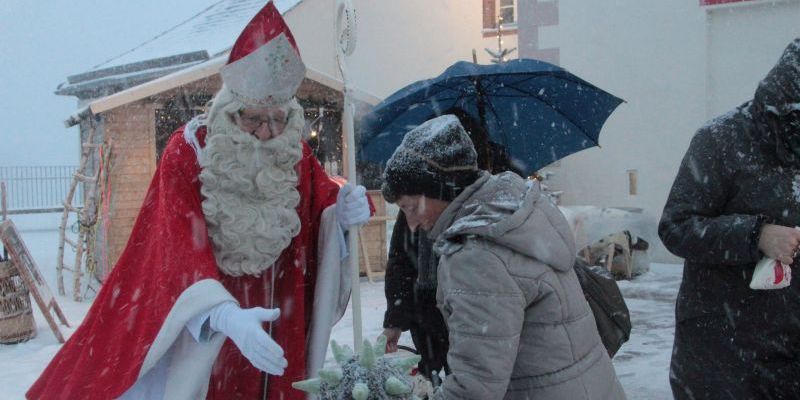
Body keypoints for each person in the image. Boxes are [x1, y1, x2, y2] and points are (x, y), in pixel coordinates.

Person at [26, 3, 371, 399]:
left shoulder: (294, 153)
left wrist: (339, 214)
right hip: (209, 335)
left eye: (278, 119)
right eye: (254, 118)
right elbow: (173, 245)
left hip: (281, 319)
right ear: (228, 108)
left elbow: (321, 203)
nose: (266, 132)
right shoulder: (187, 152)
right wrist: (223, 315)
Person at [381, 114, 626, 399]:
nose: (410, 224)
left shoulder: (476, 254)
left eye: (411, 207)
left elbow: (474, 387)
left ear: (440, 188)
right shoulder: (514, 215)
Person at [659, 37, 800, 399]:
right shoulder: (720, 139)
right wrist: (757, 236)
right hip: (725, 352)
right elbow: (676, 226)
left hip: (789, 356)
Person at [381, 108, 522, 384]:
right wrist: (395, 319)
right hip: (428, 316)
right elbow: (399, 260)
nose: (413, 220)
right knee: (433, 382)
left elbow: (481, 375)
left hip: (467, 322)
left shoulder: (493, 218)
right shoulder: (417, 199)